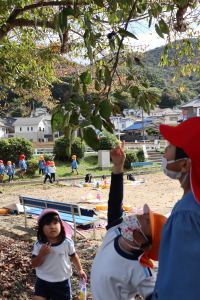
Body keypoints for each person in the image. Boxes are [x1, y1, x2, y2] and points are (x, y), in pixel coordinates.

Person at [91, 141, 167, 300]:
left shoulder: (142, 270)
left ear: (146, 243)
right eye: (145, 214)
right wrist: (118, 166)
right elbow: (114, 201)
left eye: (146, 221)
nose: (139, 215)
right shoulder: (115, 231)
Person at [152, 117, 200, 300]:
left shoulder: (186, 214)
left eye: (170, 146)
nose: (165, 150)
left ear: (185, 164)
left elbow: (180, 281)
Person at [32, 209, 87, 300]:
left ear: (61, 225)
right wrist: (41, 255)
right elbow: (34, 264)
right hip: (43, 282)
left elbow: (73, 256)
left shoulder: (67, 242)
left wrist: (80, 270)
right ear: (41, 228)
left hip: (62, 282)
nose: (52, 227)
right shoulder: (39, 244)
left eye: (55, 223)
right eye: (48, 224)